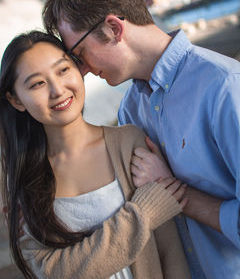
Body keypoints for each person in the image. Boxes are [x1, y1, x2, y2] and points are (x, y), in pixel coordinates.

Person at [41, 0, 240, 279]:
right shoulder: (130, 110)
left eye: (79, 54)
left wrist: (175, 194)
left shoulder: (226, 87)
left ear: (114, 28)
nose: (82, 69)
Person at [0, 30, 190, 279]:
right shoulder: (21, 178)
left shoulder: (129, 142)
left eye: (63, 70)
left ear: (79, 69)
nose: (57, 90)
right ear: (16, 100)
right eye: (37, 84)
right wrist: (144, 213)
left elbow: (170, 252)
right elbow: (54, 273)